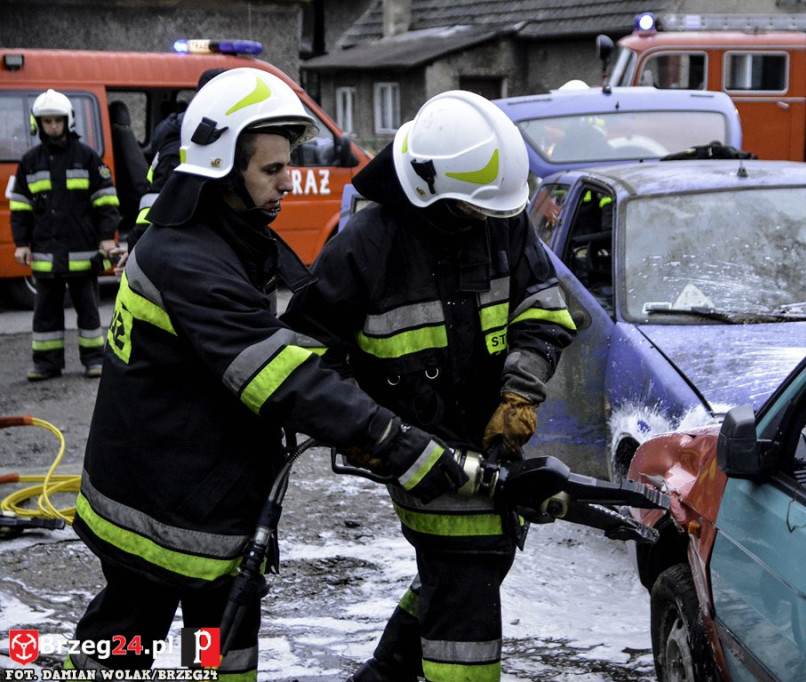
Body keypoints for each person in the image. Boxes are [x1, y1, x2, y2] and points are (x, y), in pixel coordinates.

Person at [67, 68, 469, 679]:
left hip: (195, 492)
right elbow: (281, 380)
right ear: (223, 169)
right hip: (165, 512)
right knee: (125, 649)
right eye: (272, 170)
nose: (289, 180)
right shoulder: (190, 261)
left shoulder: (215, 232)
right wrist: (396, 440)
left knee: (219, 653)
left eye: (288, 164)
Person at [282, 90, 577, 682]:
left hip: (492, 434)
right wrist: (364, 430)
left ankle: (388, 671)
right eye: (474, 211)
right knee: (465, 573)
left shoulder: (500, 220)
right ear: (429, 192)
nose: (488, 221)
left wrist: (520, 393)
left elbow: (543, 305)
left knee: (477, 560)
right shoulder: (363, 248)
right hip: (410, 445)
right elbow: (304, 358)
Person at [9, 89, 120, 381]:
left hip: (83, 254)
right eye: (47, 122)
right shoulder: (29, 162)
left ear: (68, 121)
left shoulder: (89, 158)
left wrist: (107, 238)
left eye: (57, 120)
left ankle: (95, 360)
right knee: (45, 313)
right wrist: (21, 244)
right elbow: (20, 207)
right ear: (38, 124)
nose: (53, 127)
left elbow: (107, 202)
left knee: (89, 312)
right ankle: (46, 363)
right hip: (47, 254)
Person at [111, 68, 226, 275]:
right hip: (184, 249)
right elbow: (156, 201)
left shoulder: (205, 135)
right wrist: (138, 247)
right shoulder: (182, 145)